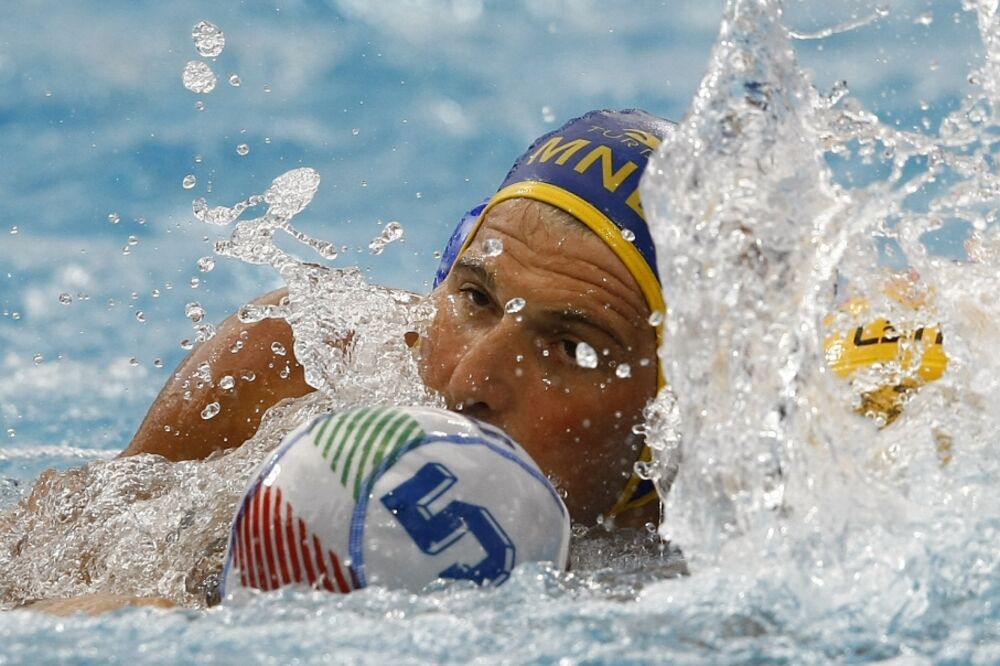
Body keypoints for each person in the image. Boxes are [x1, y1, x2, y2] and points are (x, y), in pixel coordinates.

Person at [123, 108, 674, 529]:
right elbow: (64, 554)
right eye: (477, 299)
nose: (468, 384)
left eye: (572, 349)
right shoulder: (290, 364)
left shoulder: (722, 551)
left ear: (676, 416)